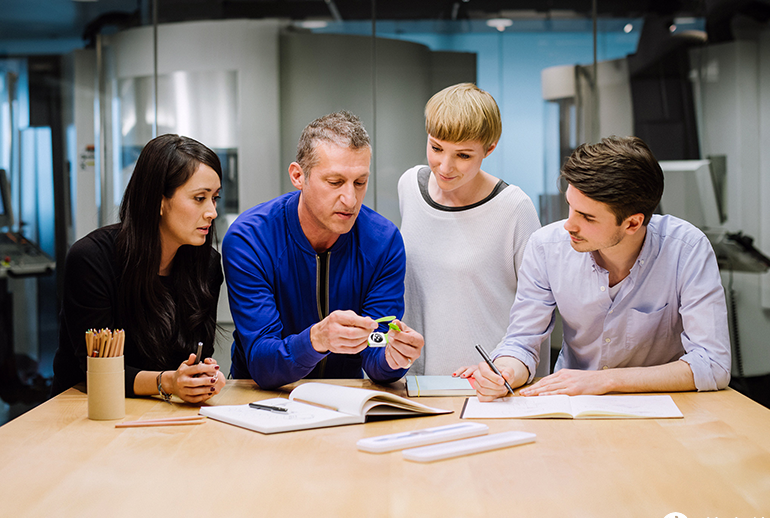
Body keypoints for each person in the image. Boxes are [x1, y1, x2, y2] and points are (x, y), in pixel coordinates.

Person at [460, 136, 731, 400]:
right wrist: (505, 371)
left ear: (632, 224)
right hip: (575, 404)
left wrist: (606, 380)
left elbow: (713, 364)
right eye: (571, 207)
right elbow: (521, 341)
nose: (569, 225)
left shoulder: (687, 249)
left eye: (587, 217)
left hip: (664, 404)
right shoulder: (546, 247)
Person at [222, 111, 424, 390]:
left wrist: (392, 358)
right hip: (260, 397)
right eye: (335, 182)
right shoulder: (251, 239)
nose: (350, 199)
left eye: (360, 182)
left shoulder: (383, 241)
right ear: (298, 176)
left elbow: (374, 343)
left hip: (342, 398)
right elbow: (261, 362)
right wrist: (316, 340)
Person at [52, 134, 226, 403]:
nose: (212, 212)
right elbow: (93, 370)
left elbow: (197, 355)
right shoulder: (91, 259)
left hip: (166, 411)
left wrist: (203, 376)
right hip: (89, 409)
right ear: (158, 200)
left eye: (214, 198)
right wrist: (167, 382)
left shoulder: (207, 265)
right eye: (199, 198)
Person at [398, 82, 541, 375]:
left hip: (485, 383)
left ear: (489, 149)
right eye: (436, 148)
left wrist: (509, 372)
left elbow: (536, 310)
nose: (445, 166)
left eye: (463, 155)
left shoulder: (514, 207)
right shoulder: (409, 186)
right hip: (413, 381)